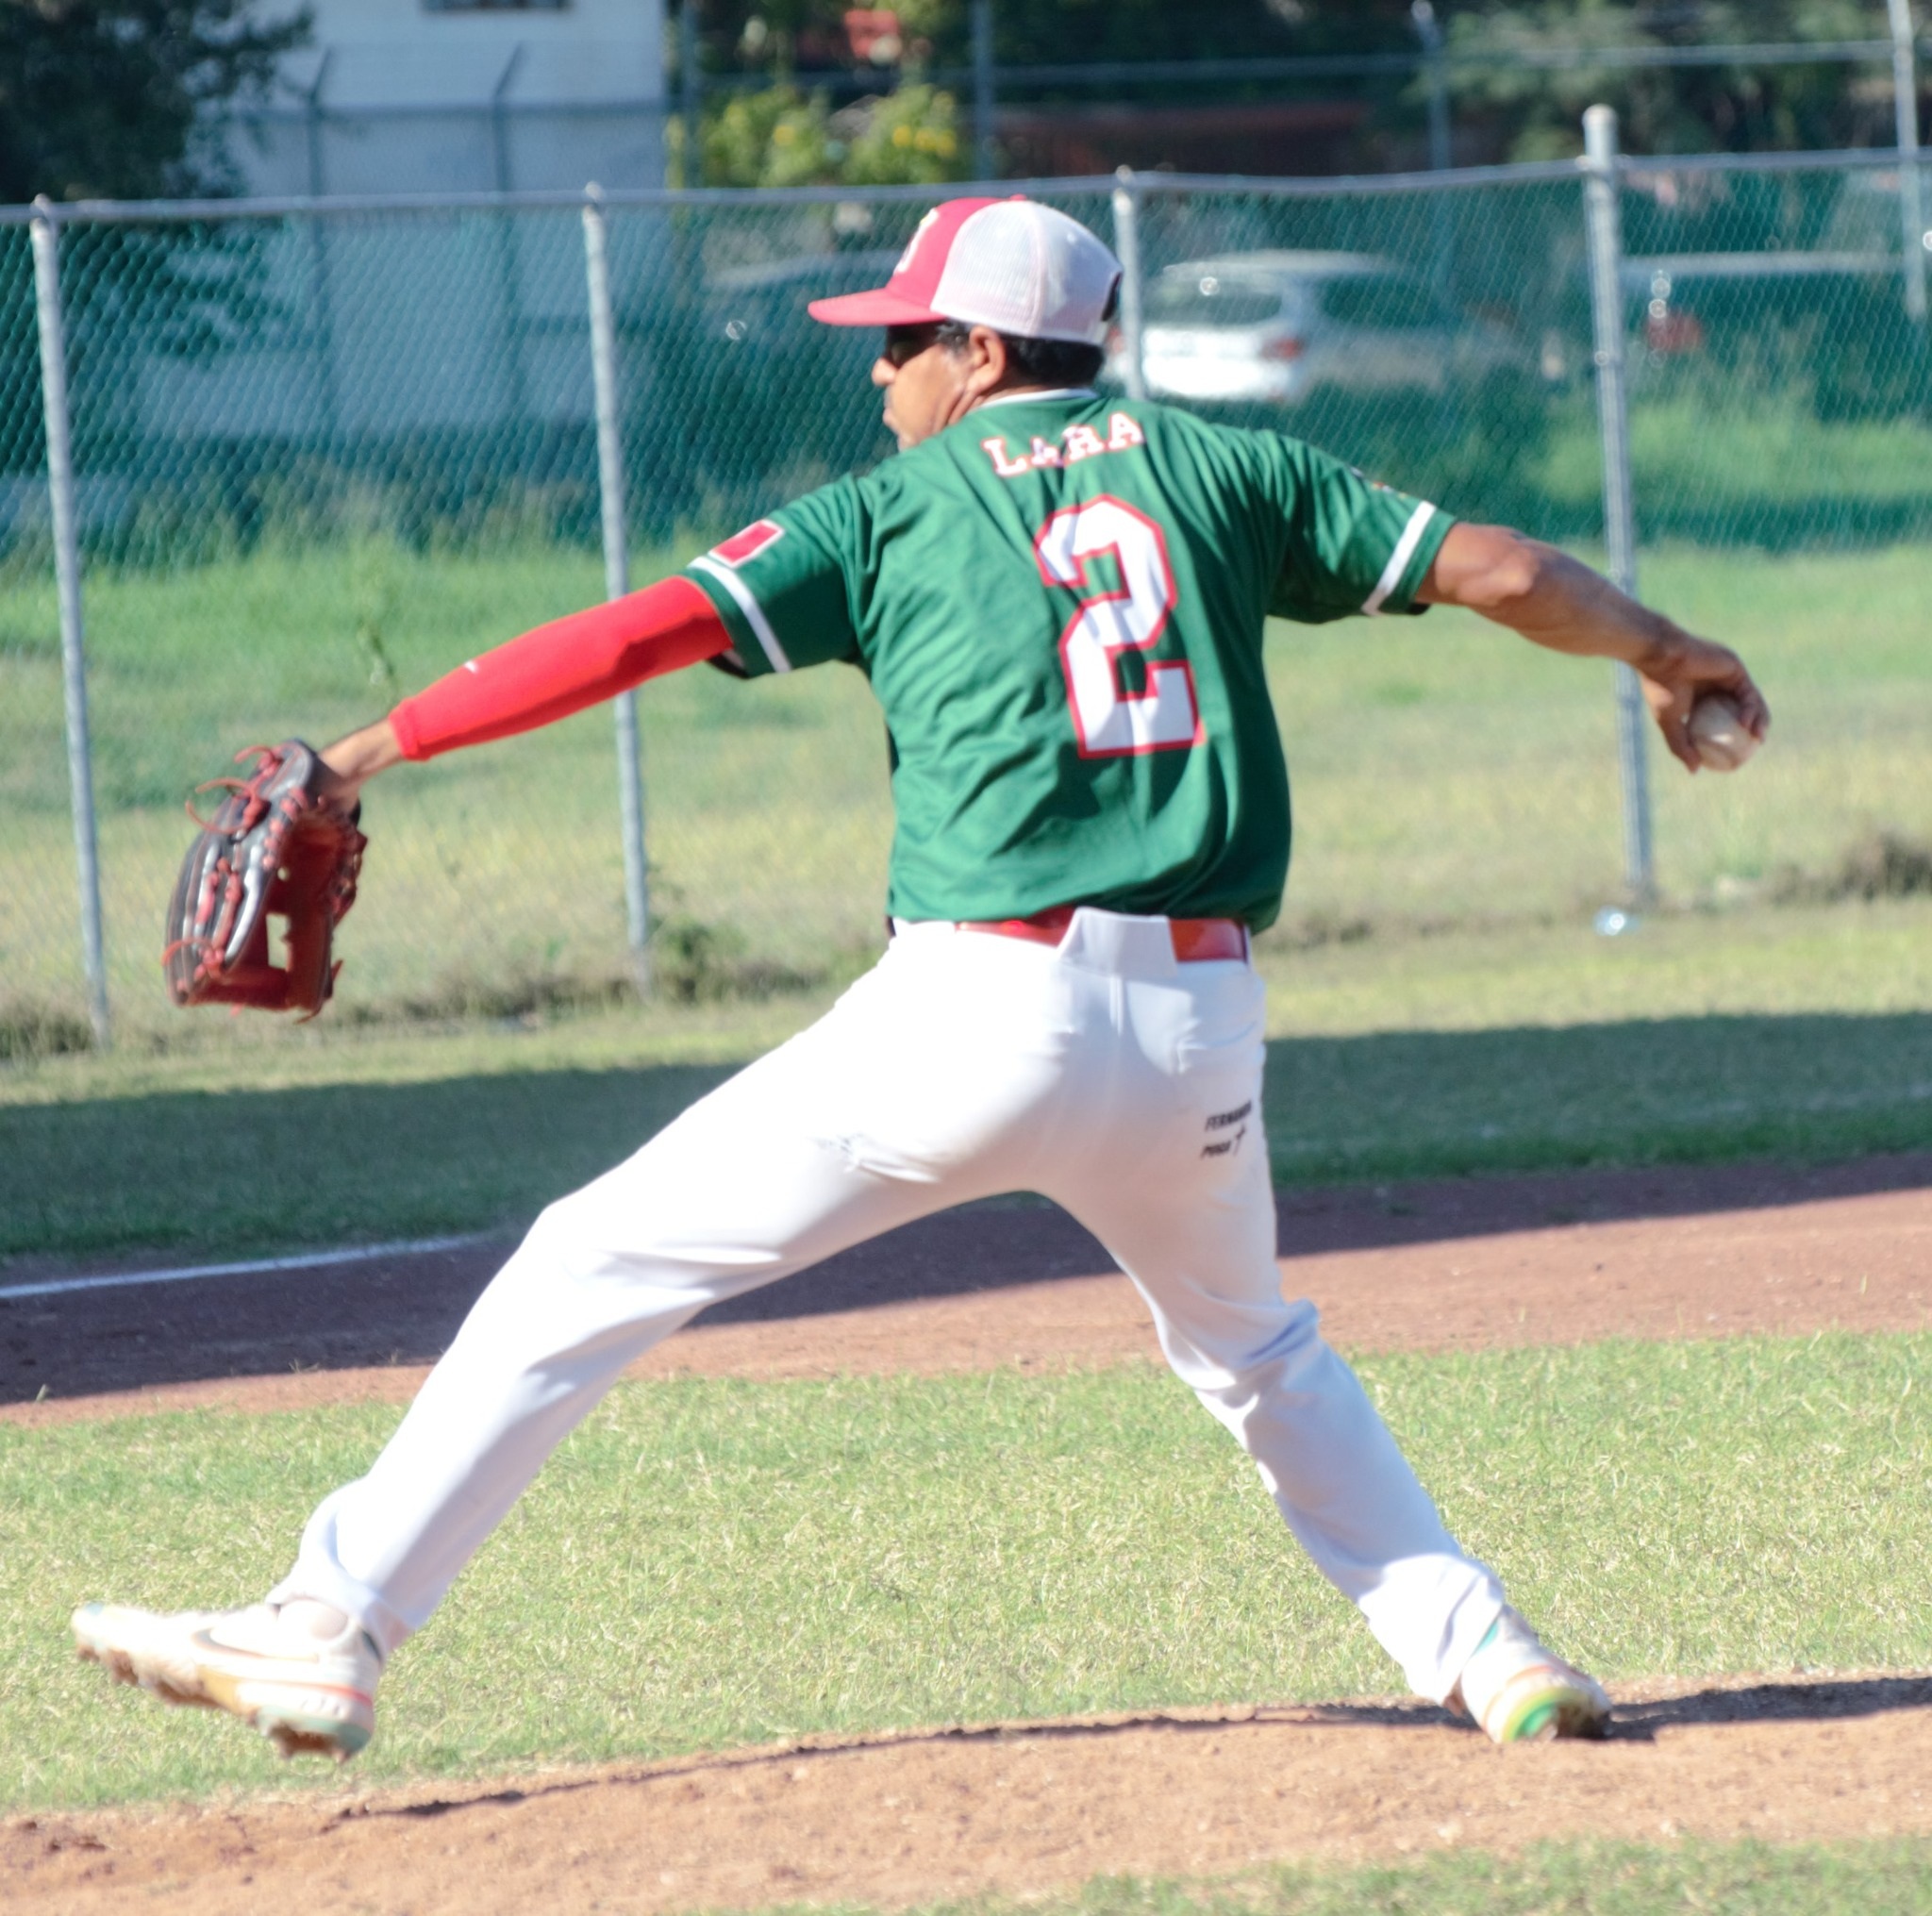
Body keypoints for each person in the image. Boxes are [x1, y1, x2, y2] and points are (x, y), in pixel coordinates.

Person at [74, 196, 1768, 1760]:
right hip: (1200, 1029)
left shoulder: (891, 507)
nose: (878, 372)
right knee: (1259, 1355)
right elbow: (1504, 570)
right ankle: (1490, 1655)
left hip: (977, 1013)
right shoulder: (1228, 468)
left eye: (899, 340)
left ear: (980, 350)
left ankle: (331, 1623)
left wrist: (374, 745)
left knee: (587, 1260)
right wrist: (1664, 649)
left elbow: (636, 634)